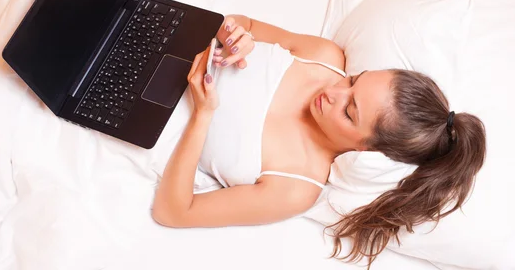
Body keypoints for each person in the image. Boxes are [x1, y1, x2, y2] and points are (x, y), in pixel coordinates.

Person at [152, 14, 486, 267]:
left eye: (349, 111)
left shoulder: (295, 188)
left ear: (366, 148)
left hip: (137, 103)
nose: (334, 92)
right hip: (157, 37)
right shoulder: (323, 56)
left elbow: (174, 212)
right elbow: (236, 22)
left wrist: (202, 115)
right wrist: (235, 35)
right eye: (354, 80)